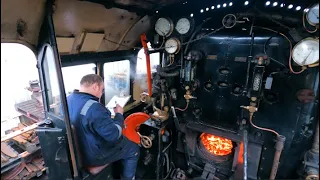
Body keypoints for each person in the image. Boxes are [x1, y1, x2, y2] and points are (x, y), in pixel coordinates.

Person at [66, 74, 139, 180]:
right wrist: (119, 114)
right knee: (133, 148)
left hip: (80, 151)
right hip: (94, 155)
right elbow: (114, 135)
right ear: (95, 86)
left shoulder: (67, 100)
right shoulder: (95, 108)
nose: (101, 93)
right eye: (102, 89)